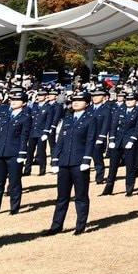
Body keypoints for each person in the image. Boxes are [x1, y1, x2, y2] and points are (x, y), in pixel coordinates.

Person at [45, 90, 96, 236]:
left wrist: (86, 159)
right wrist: (55, 159)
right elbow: (60, 141)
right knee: (62, 197)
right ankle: (56, 226)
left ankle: (80, 226)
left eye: (80, 100)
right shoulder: (67, 119)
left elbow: (90, 141)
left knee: (80, 196)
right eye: (74, 100)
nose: (75, 102)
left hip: (79, 162)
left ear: (87, 103)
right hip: (64, 163)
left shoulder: (90, 119)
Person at [0, 89, 34, 214]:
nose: (13, 102)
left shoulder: (25, 117)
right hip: (0, 152)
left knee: (14, 182)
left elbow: (24, 136)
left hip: (14, 153)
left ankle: (14, 208)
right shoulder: (4, 115)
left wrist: (22, 153)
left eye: (17, 100)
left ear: (24, 103)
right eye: (12, 99)